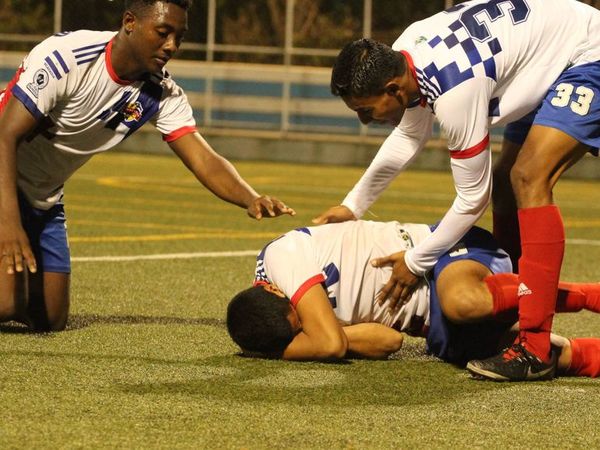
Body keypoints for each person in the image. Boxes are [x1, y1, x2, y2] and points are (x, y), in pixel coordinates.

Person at [312, 0, 600, 380]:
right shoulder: (406, 52)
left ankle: (534, 347)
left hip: (584, 51)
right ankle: (512, 313)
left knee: (528, 178)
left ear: (393, 89)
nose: (366, 121)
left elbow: (470, 200)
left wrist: (416, 262)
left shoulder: (454, 90)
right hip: (549, 55)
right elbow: (409, 135)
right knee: (506, 187)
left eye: (366, 110)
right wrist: (353, 205)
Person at [0, 0, 295, 332]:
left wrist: (250, 198)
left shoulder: (160, 92)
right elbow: (3, 137)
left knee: (50, 319)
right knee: (7, 303)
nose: (172, 46)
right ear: (129, 22)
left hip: (44, 196)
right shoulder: (67, 56)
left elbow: (203, 157)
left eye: (179, 37)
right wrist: (8, 224)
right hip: (3, 180)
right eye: (163, 32)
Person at [227, 220, 600, 379]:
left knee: (462, 302)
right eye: (299, 330)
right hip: (436, 327)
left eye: (300, 319)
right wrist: (315, 341)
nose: (305, 321)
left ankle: (589, 296)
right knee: (531, 355)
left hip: (445, 254)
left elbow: (327, 342)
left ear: (274, 290)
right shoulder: (280, 317)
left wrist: (289, 349)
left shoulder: (280, 259)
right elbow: (388, 340)